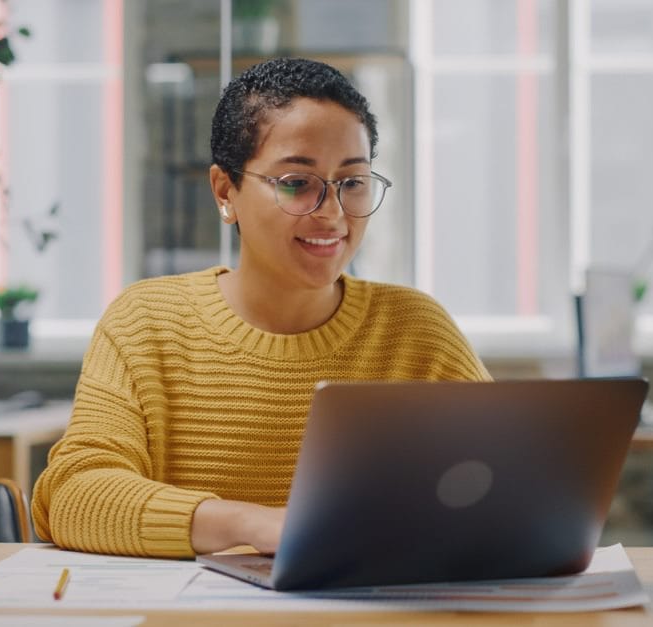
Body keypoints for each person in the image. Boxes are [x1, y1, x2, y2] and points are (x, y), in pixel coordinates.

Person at [31, 57, 489, 558]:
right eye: (297, 182)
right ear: (226, 191)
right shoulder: (147, 323)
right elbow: (75, 495)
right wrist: (252, 524)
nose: (332, 214)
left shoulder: (416, 330)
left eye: (352, 183)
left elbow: (509, 484)